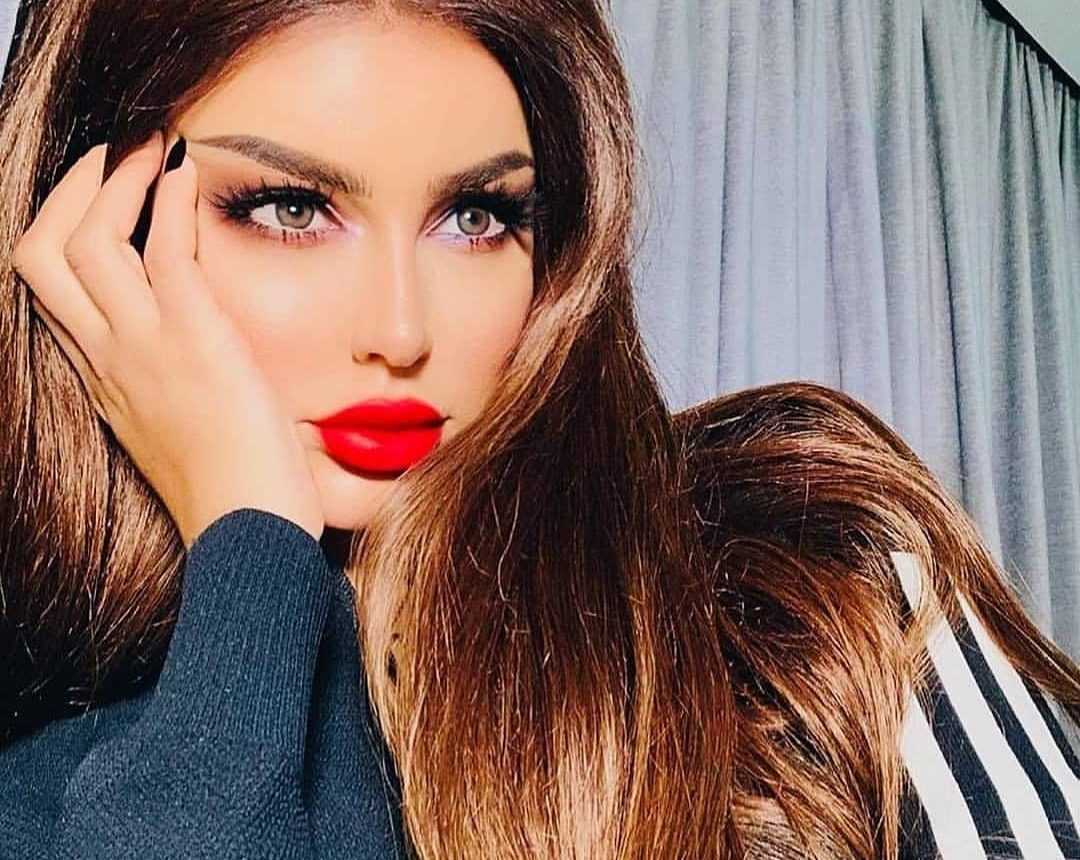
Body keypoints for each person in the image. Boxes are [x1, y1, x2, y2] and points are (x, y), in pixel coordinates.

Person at [0, 0, 1077, 858]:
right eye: (290, 208)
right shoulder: (45, 793)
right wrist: (253, 548)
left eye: (477, 216)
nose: (400, 331)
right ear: (100, 229)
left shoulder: (816, 593)